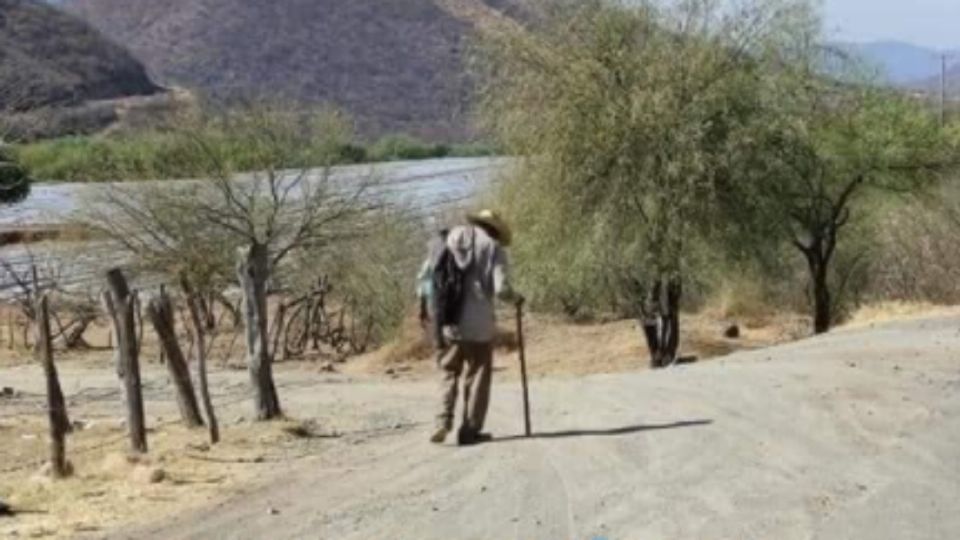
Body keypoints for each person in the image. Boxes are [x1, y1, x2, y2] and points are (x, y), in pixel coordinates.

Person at [429, 209, 523, 446]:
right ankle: (469, 430)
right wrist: (517, 298)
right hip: (479, 325)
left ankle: (442, 420)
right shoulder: (493, 248)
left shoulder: (451, 238)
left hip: (450, 320)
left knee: (449, 371)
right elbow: (501, 289)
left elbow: (433, 274)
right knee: (478, 375)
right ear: (494, 229)